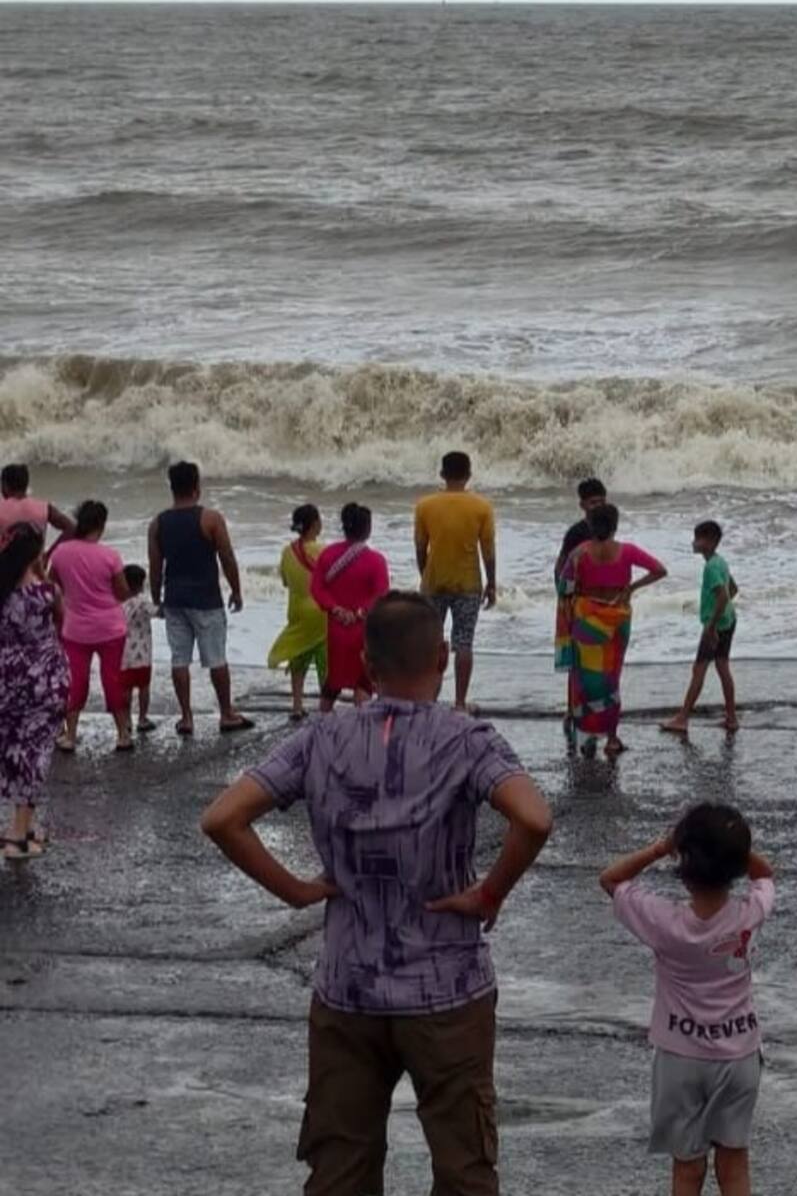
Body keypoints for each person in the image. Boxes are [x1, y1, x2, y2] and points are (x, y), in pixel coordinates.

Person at [199, 593, 554, 1196]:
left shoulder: (319, 738)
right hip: (446, 987)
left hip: (346, 986)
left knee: (341, 1167)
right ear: (443, 657)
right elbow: (535, 819)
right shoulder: (468, 741)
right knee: (465, 1166)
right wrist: (490, 893)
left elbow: (223, 818)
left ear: (366, 664)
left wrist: (298, 890)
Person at [600, 804, 775, 1196]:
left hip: (680, 1056)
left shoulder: (664, 921)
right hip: (739, 1055)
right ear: (734, 865)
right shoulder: (748, 914)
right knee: (734, 1164)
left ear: (685, 860)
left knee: (686, 1168)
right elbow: (765, 875)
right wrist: (733, 848)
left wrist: (661, 847)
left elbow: (610, 879)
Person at [148, 460, 251, 737]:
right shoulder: (211, 519)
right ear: (196, 487)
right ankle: (226, 713)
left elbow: (155, 566)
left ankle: (186, 717)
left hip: (175, 600)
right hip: (206, 598)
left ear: (172, 487)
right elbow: (226, 557)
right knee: (216, 658)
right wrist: (236, 590)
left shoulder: (158, 523)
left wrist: (157, 599)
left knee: (179, 659)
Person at [559, 503, 667, 758]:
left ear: (591, 525)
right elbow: (660, 570)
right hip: (617, 620)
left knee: (582, 681)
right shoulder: (627, 551)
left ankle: (584, 736)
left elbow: (565, 589)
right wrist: (631, 588)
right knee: (611, 680)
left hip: (586, 621)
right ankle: (611, 738)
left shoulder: (579, 553)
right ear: (615, 525)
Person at [0, 524, 67, 861]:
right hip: (43, 680)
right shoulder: (45, 593)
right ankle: (17, 837)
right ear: (35, 554)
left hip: (6, 679)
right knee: (34, 752)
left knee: (13, 749)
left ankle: (24, 828)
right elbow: (61, 624)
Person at [47, 499, 135, 752]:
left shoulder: (62, 553)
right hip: (110, 628)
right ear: (101, 525)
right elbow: (121, 593)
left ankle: (71, 736)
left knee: (77, 682)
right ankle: (122, 735)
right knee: (112, 680)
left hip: (75, 629)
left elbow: (53, 585)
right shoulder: (110, 556)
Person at [414, 452, 498, 714]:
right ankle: (460, 703)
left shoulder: (425, 505)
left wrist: (425, 574)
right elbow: (488, 550)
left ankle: (428, 700)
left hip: (434, 581)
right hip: (468, 583)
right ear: (469, 474)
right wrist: (492, 582)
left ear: (442, 474)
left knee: (430, 643)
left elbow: (420, 547)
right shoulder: (481, 507)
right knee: (464, 643)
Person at [310, 504, 391, 711]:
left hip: (336, 629)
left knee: (333, 680)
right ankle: (361, 727)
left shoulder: (328, 554)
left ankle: (323, 723)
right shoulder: (376, 561)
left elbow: (316, 588)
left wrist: (335, 609)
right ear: (368, 528)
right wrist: (359, 613)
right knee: (363, 680)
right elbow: (381, 595)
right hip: (363, 629)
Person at [670, 521, 741, 740]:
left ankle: (682, 718)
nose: (694, 542)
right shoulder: (720, 562)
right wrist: (724, 611)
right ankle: (731, 717)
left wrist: (711, 626)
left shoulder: (710, 567)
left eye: (698, 538)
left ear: (709, 542)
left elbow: (722, 595)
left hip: (716, 625)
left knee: (698, 670)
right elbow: (733, 589)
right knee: (722, 667)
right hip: (729, 621)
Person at [269, 504, 328, 721]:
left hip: (297, 611)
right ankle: (325, 705)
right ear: (314, 525)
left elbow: (285, 581)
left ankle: (296, 705)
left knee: (299, 658)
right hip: (321, 612)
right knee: (324, 660)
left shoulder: (287, 551)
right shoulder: (323, 551)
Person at [554, 476, 609, 682]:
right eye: (593, 502)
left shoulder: (607, 530)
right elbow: (561, 565)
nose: (598, 506)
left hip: (599, 600)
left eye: (602, 502)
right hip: (578, 600)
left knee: (598, 657)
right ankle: (573, 708)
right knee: (577, 659)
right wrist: (565, 599)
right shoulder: (576, 532)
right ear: (582, 505)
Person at [119, 563, 156, 733]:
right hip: (143, 654)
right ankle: (142, 718)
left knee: (126, 689)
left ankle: (126, 720)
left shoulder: (119, 603)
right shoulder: (142, 602)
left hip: (124, 654)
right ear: (141, 584)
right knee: (144, 687)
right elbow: (157, 612)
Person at [0, 465, 76, 542]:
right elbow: (72, 528)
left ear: (5, 485)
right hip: (36, 553)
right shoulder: (44, 507)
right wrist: (54, 550)